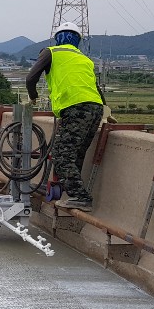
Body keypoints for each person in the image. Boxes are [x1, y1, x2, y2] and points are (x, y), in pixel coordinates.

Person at [26, 21, 105, 212]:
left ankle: (81, 197)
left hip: (75, 107)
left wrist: (33, 97)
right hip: (95, 108)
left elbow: (31, 78)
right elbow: (95, 88)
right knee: (76, 154)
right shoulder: (85, 59)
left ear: (58, 38)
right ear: (78, 40)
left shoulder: (50, 52)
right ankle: (68, 191)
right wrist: (106, 111)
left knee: (61, 155)